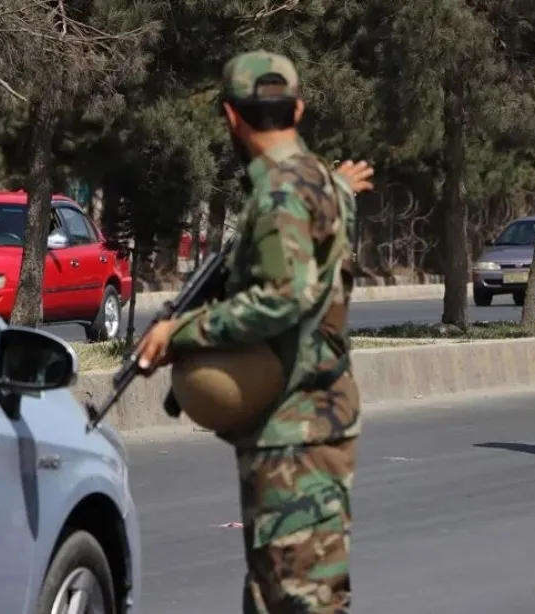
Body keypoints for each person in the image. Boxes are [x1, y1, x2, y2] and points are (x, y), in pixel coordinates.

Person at [134, 50, 374, 613]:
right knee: (276, 595)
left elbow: (285, 296)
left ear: (230, 116)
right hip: (307, 421)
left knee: (298, 599)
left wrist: (183, 330)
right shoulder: (318, 181)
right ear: (298, 109)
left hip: (298, 431)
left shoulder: (280, 193)